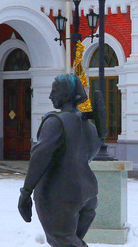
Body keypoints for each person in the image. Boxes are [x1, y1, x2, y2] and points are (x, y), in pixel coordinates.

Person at [18, 74, 101, 247]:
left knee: (63, 241)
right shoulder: (89, 125)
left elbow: (39, 157)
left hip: (59, 195)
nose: (50, 96)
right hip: (87, 194)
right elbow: (92, 152)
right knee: (72, 241)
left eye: (54, 91)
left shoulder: (56, 122)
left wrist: (26, 192)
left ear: (64, 94)